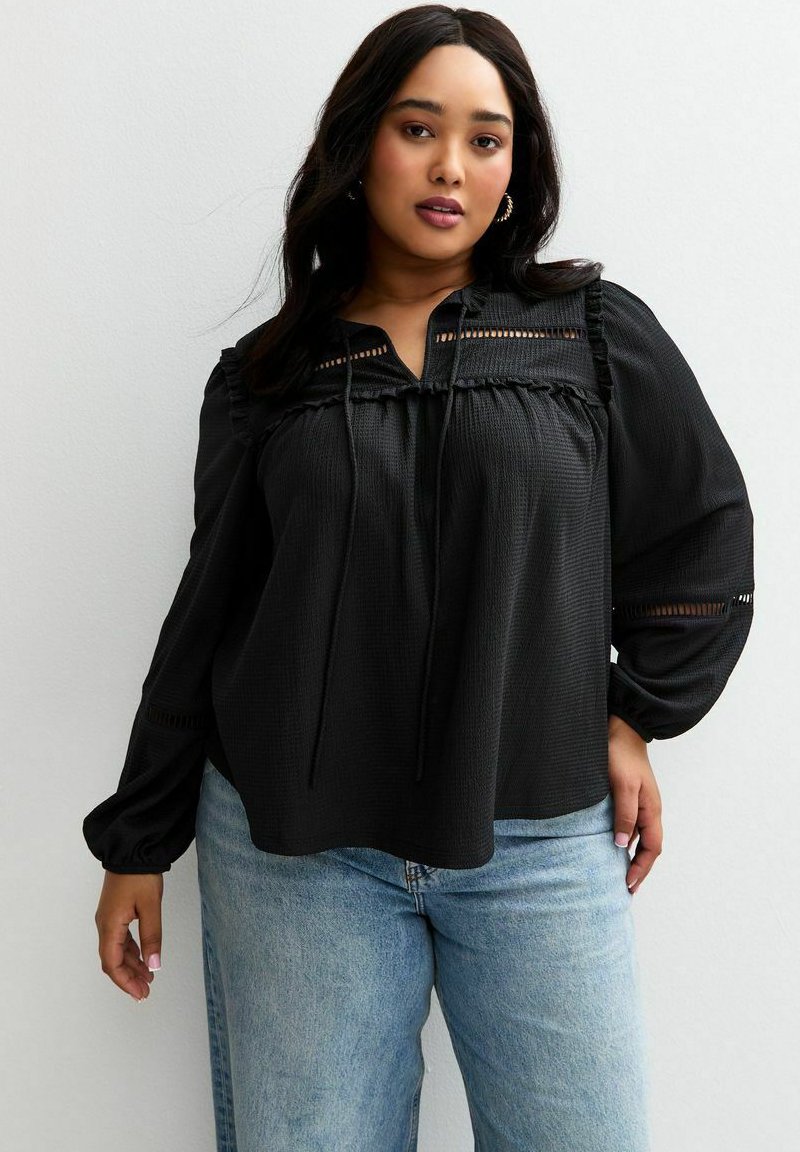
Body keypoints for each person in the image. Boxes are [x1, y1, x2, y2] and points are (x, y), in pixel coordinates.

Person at [84, 6, 755, 1150]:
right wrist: (136, 843)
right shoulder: (266, 378)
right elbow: (207, 617)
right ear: (359, 147)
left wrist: (634, 713)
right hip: (295, 853)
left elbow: (702, 538)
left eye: (485, 139)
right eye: (417, 128)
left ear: (513, 168)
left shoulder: (588, 334)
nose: (451, 165)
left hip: (538, 838)